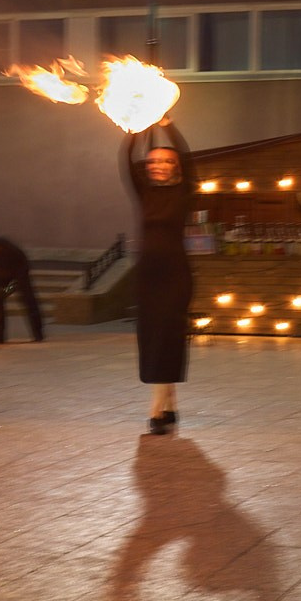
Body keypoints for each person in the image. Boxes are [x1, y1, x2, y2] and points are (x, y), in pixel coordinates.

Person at [125, 119, 194, 433]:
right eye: (153, 161)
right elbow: (126, 160)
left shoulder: (183, 191)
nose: (159, 165)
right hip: (147, 277)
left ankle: (156, 411)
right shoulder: (145, 193)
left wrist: (168, 125)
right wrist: (138, 126)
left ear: (176, 166)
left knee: (169, 336)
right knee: (152, 338)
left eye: (167, 160)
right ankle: (169, 404)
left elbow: (189, 158)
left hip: (175, 275)